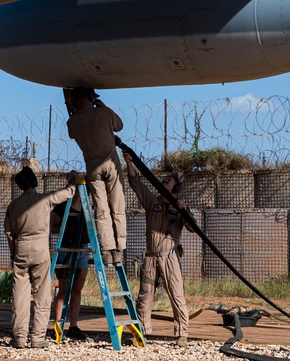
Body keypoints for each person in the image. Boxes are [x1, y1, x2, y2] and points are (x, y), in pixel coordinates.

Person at [123, 150, 191, 346]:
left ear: (175, 188)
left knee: (176, 295)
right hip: (151, 257)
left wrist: (184, 211)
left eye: (168, 181)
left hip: (170, 257)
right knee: (145, 295)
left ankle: (182, 334)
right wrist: (129, 162)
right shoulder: (152, 201)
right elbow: (136, 183)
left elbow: (192, 228)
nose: (163, 182)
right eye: (162, 180)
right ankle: (141, 332)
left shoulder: (179, 207)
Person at [5, 166, 76, 348]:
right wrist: (72, 179)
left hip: (20, 248)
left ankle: (19, 337)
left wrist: (14, 253)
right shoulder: (43, 199)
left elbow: (8, 233)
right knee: (42, 293)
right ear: (34, 182)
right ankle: (37, 337)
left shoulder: (13, 206)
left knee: (19, 295)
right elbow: (68, 193)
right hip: (40, 248)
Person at [66, 87, 126, 262]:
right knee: (117, 207)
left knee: (101, 209)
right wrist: (102, 106)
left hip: (92, 167)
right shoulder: (104, 113)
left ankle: (106, 250)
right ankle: (119, 249)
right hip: (111, 164)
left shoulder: (72, 122)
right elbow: (119, 126)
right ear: (90, 97)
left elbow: (72, 133)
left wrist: (75, 112)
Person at [50, 190, 91, 340]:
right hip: (66, 250)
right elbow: (53, 228)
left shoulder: (87, 207)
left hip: (82, 250)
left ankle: (73, 326)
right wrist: (67, 228)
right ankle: (57, 325)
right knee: (64, 288)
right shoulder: (61, 207)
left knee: (77, 289)